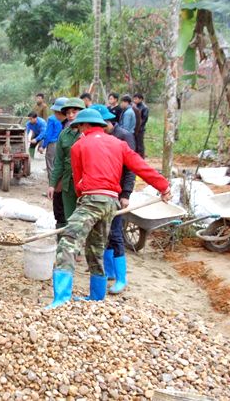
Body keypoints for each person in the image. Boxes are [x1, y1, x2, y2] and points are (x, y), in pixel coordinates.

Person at [47, 108, 171, 308]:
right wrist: (163, 187)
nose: (78, 130)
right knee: (96, 247)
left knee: (67, 244)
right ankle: (96, 298)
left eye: (79, 127)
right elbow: (140, 166)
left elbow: (79, 180)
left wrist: (85, 200)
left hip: (91, 199)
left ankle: (60, 300)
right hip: (111, 202)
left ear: (85, 126)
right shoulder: (119, 144)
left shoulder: (79, 146)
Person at [92, 104, 136, 294]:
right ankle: (109, 272)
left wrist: (126, 194)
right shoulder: (102, 138)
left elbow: (131, 168)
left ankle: (121, 279)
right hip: (104, 191)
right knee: (106, 233)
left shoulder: (123, 137)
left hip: (118, 194)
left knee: (116, 234)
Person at [46, 98, 85, 224]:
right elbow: (59, 162)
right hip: (68, 182)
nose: (71, 115)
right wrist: (52, 184)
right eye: (68, 113)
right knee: (67, 217)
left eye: (74, 112)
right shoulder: (64, 134)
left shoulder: (89, 133)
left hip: (86, 183)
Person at [39, 97, 67, 190]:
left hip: (52, 144)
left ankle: (52, 188)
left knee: (51, 166)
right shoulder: (67, 121)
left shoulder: (52, 119)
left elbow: (48, 134)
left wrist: (43, 145)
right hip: (61, 143)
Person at [133, 93, 149, 158]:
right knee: (135, 143)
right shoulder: (135, 106)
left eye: (136, 99)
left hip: (140, 129)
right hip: (134, 128)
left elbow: (144, 119)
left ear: (141, 99)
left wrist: (139, 127)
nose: (134, 100)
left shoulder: (144, 108)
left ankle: (141, 157)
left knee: (140, 143)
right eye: (134, 98)